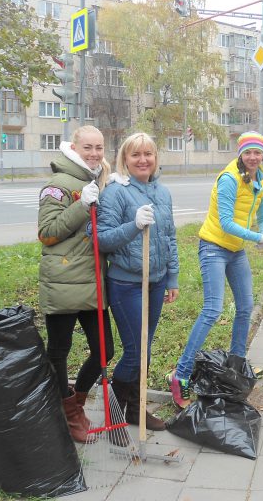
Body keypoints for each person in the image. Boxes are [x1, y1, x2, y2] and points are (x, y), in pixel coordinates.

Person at [167, 131, 263, 408]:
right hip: (213, 247)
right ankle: (181, 374)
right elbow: (225, 222)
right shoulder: (229, 179)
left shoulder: (262, 178)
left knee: (246, 306)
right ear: (240, 154)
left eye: (257, 152)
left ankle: (236, 367)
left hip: (236, 250)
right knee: (213, 309)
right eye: (248, 152)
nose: (253, 157)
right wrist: (259, 237)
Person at [95, 132, 179, 431]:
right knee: (135, 351)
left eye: (148, 154)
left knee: (145, 349)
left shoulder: (163, 193)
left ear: (155, 158)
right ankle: (114, 416)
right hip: (126, 284)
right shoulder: (115, 193)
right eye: (136, 155)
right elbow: (102, 239)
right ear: (125, 159)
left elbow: (169, 237)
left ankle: (135, 410)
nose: (143, 160)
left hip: (156, 282)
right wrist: (133, 225)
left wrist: (172, 277)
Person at [38, 125, 114, 443]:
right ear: (73, 148)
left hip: (92, 281)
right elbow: (47, 233)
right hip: (64, 281)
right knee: (58, 351)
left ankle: (76, 402)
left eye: (99, 147)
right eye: (88, 147)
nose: (94, 153)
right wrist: (81, 206)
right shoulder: (58, 185)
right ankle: (69, 415)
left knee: (104, 350)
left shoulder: (95, 181)